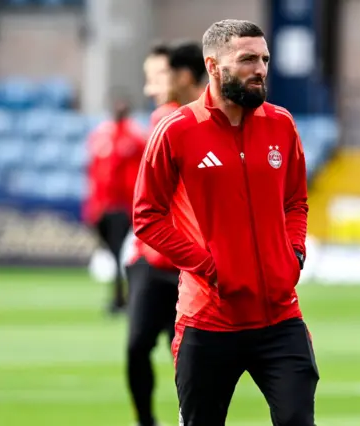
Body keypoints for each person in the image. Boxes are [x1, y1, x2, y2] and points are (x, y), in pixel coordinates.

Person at [132, 19, 317, 426]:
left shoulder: (281, 124)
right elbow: (147, 218)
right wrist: (209, 267)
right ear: (213, 66)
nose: (261, 69)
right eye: (248, 59)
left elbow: (295, 201)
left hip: (280, 318)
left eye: (265, 59)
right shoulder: (177, 130)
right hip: (209, 320)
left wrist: (294, 253)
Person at [123, 40, 206, 426]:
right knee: (149, 348)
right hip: (160, 257)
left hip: (179, 261)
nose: (151, 87)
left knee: (178, 353)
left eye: (158, 76)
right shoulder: (169, 118)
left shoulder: (179, 120)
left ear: (181, 77)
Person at [82, 89, 146, 314]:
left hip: (124, 206)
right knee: (113, 253)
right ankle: (123, 295)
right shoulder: (101, 136)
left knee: (120, 252)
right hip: (102, 206)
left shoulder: (137, 137)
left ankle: (121, 298)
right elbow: (93, 172)